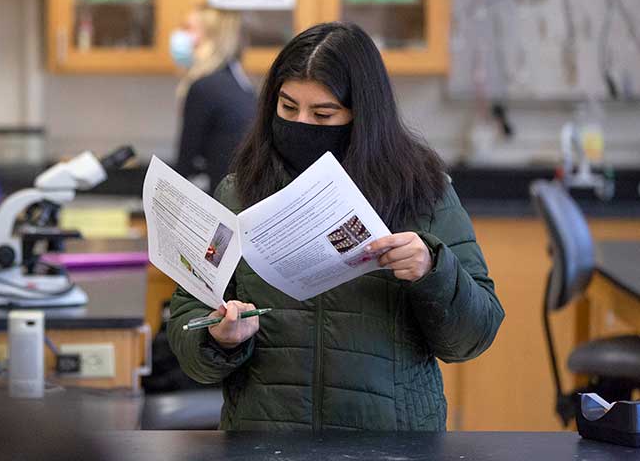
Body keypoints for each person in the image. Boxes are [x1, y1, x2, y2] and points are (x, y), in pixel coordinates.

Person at [167, 22, 505, 431]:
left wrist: (433, 269)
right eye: (288, 108)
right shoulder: (239, 191)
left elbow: (475, 335)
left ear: (362, 115)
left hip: (390, 442)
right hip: (265, 439)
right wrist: (217, 338)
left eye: (322, 114)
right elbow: (189, 317)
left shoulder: (422, 192)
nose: (301, 123)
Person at [171, 6, 256, 193]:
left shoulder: (205, 87)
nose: (179, 35)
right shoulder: (235, 81)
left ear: (212, 37)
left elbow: (186, 162)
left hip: (223, 200)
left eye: (189, 28)